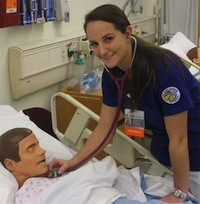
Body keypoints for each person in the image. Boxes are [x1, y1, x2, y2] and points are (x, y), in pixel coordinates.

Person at [48, 4, 200, 203]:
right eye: (94, 44)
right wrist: (73, 163)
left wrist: (180, 192)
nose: (102, 50)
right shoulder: (113, 74)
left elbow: (179, 140)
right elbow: (105, 127)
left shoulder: (164, 70)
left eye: (108, 39)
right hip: (168, 155)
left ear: (128, 33)